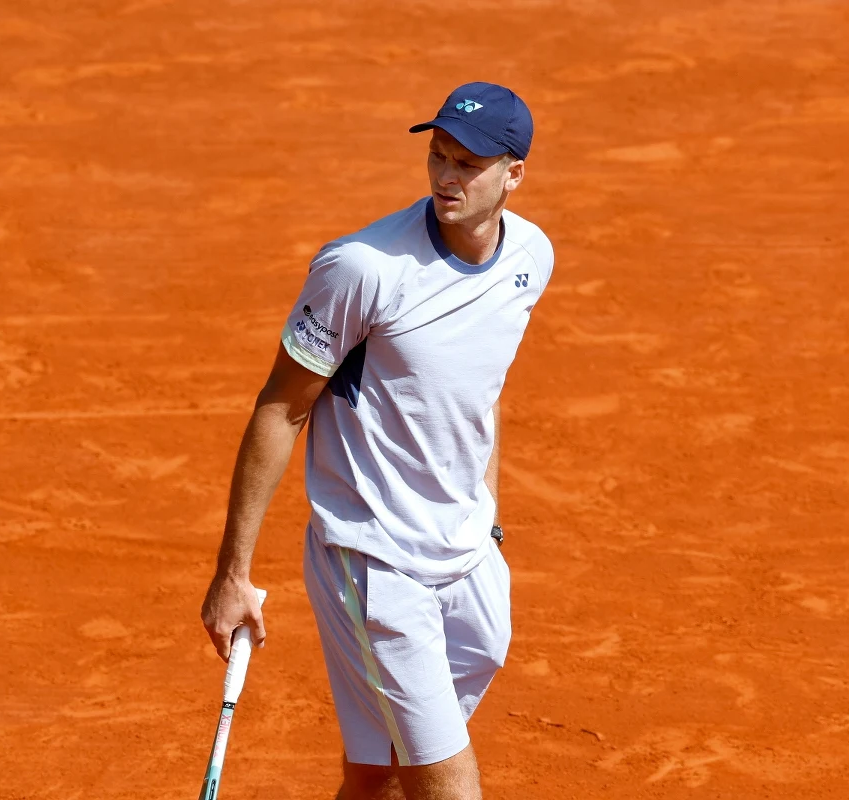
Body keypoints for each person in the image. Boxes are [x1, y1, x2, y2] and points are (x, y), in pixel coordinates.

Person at [201, 82, 553, 800]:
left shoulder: (532, 258)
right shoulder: (362, 269)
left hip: (466, 555)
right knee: (446, 784)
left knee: (381, 778)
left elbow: (480, 390)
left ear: (514, 173)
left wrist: (486, 520)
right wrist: (233, 574)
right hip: (373, 563)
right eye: (439, 156)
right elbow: (280, 409)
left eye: (470, 164)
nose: (447, 177)